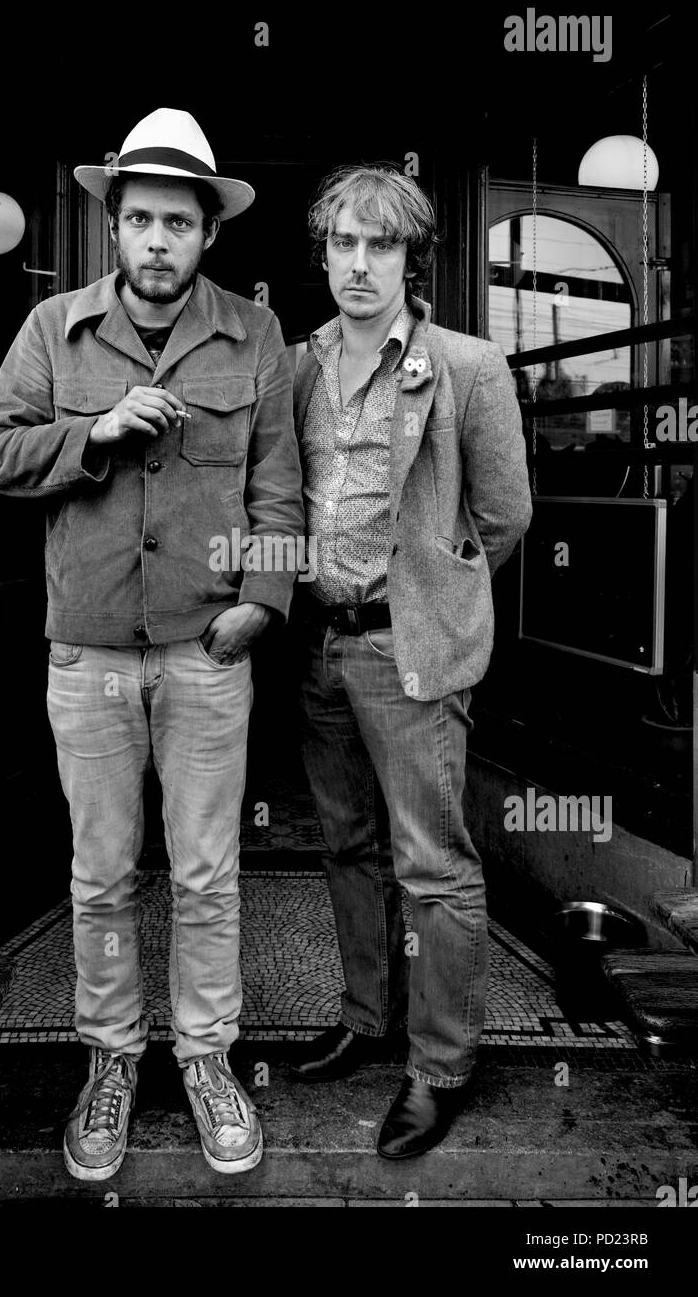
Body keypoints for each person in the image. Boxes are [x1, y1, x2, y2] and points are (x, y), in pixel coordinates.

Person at [0, 108, 304, 1180]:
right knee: (102, 875)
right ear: (113, 226)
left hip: (210, 651)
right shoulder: (51, 330)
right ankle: (111, 1062)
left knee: (208, 874)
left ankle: (207, 1058)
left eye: (180, 222)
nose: (159, 239)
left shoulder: (256, 336)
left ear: (210, 235)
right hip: (92, 655)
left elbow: (280, 490)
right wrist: (93, 434)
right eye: (141, 219)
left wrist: (263, 599)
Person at [290, 163, 532, 1159]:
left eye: (378, 244)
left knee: (432, 864)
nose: (358, 263)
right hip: (320, 647)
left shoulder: (469, 365)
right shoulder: (297, 363)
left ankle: (439, 1067)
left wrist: (434, 591)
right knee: (345, 845)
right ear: (324, 253)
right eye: (343, 242)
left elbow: (504, 516)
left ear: (409, 255)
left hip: (411, 649)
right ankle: (365, 1015)